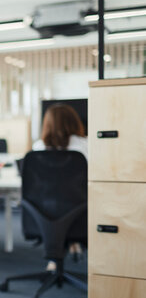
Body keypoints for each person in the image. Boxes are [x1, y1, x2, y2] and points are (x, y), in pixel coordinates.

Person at [32, 103, 87, 269]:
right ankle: (73, 242)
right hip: (79, 211)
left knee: (56, 205)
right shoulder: (87, 145)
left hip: (45, 212)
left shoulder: (38, 147)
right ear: (75, 122)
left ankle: (56, 254)